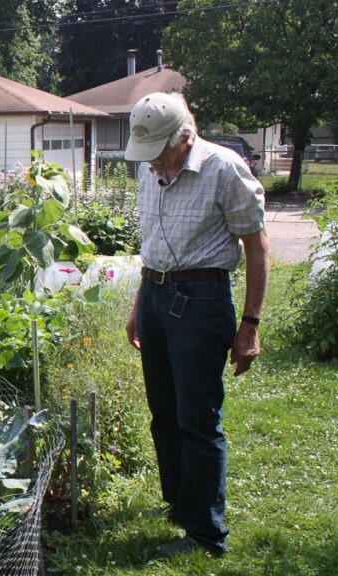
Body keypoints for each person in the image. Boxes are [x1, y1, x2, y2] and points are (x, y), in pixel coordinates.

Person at [123, 92, 270, 558]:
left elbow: (258, 247)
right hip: (155, 294)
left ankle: (205, 533)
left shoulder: (224, 169)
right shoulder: (150, 169)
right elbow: (153, 247)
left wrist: (250, 325)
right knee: (164, 413)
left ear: (185, 137)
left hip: (202, 301)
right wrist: (138, 305)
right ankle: (179, 505)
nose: (153, 163)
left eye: (160, 152)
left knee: (198, 421)